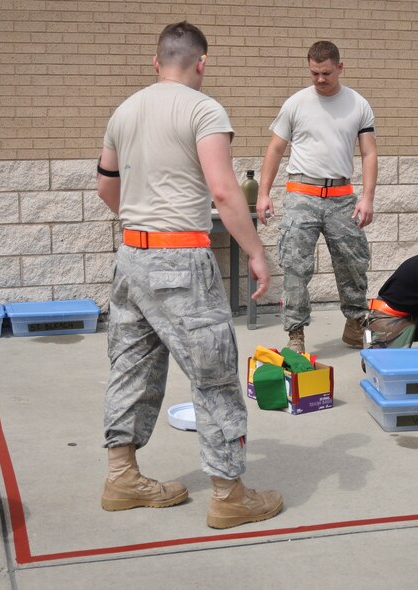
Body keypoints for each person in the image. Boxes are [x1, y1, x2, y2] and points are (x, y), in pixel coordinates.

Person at [96, 21, 282, 529]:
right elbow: (223, 190)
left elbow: (106, 188)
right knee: (214, 375)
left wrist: (143, 219)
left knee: (131, 366)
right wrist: (256, 252)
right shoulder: (204, 110)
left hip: (131, 258)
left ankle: (121, 477)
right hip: (180, 260)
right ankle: (228, 495)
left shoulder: (124, 111)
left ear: (156, 62)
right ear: (202, 62)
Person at [256, 40, 378, 353]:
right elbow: (275, 149)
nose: (320, 79)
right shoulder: (295, 104)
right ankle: (295, 334)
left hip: (341, 196)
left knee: (353, 262)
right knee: (296, 267)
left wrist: (367, 198)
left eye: (326, 73)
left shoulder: (358, 105)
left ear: (340, 67)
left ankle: (355, 324)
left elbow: (368, 153)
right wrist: (264, 193)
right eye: (314, 73)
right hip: (302, 195)